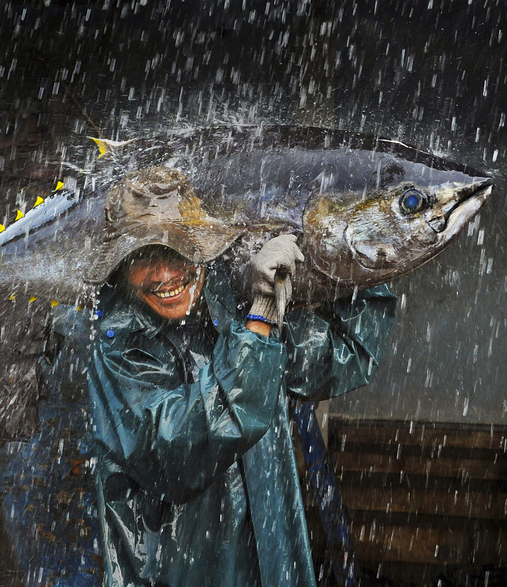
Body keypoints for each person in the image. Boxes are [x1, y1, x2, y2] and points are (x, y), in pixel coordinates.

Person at [84, 166, 397, 587]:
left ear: (201, 247)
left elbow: (347, 352)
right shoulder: (119, 348)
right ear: (121, 268)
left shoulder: (231, 310)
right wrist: (260, 317)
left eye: (177, 249)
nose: (163, 274)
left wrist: (367, 245)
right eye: (142, 257)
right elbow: (182, 452)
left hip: (271, 564)